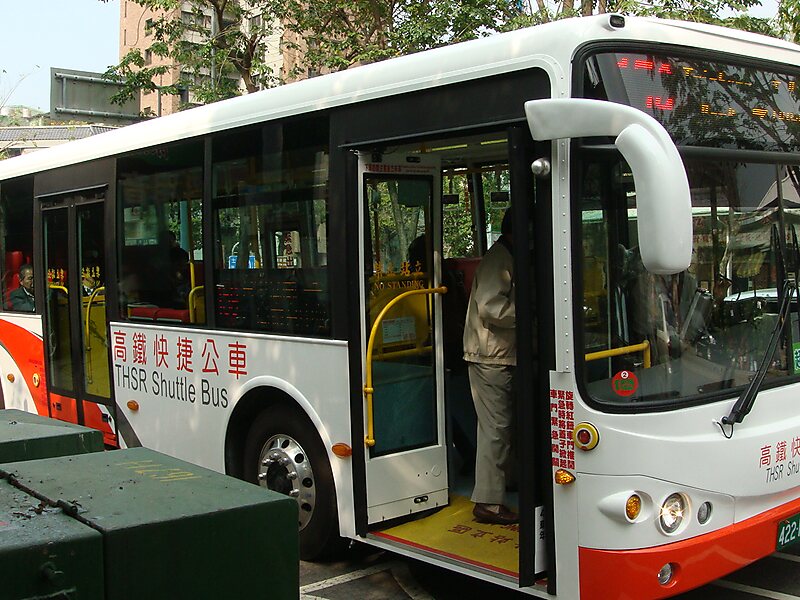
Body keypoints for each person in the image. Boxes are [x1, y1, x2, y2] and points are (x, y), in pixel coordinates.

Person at [463, 210, 517, 525]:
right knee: (496, 430)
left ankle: (505, 485)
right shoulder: (500, 259)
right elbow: (491, 307)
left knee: (504, 427)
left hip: (500, 353)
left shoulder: (507, 256)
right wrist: (529, 314)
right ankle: (488, 503)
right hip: (489, 355)